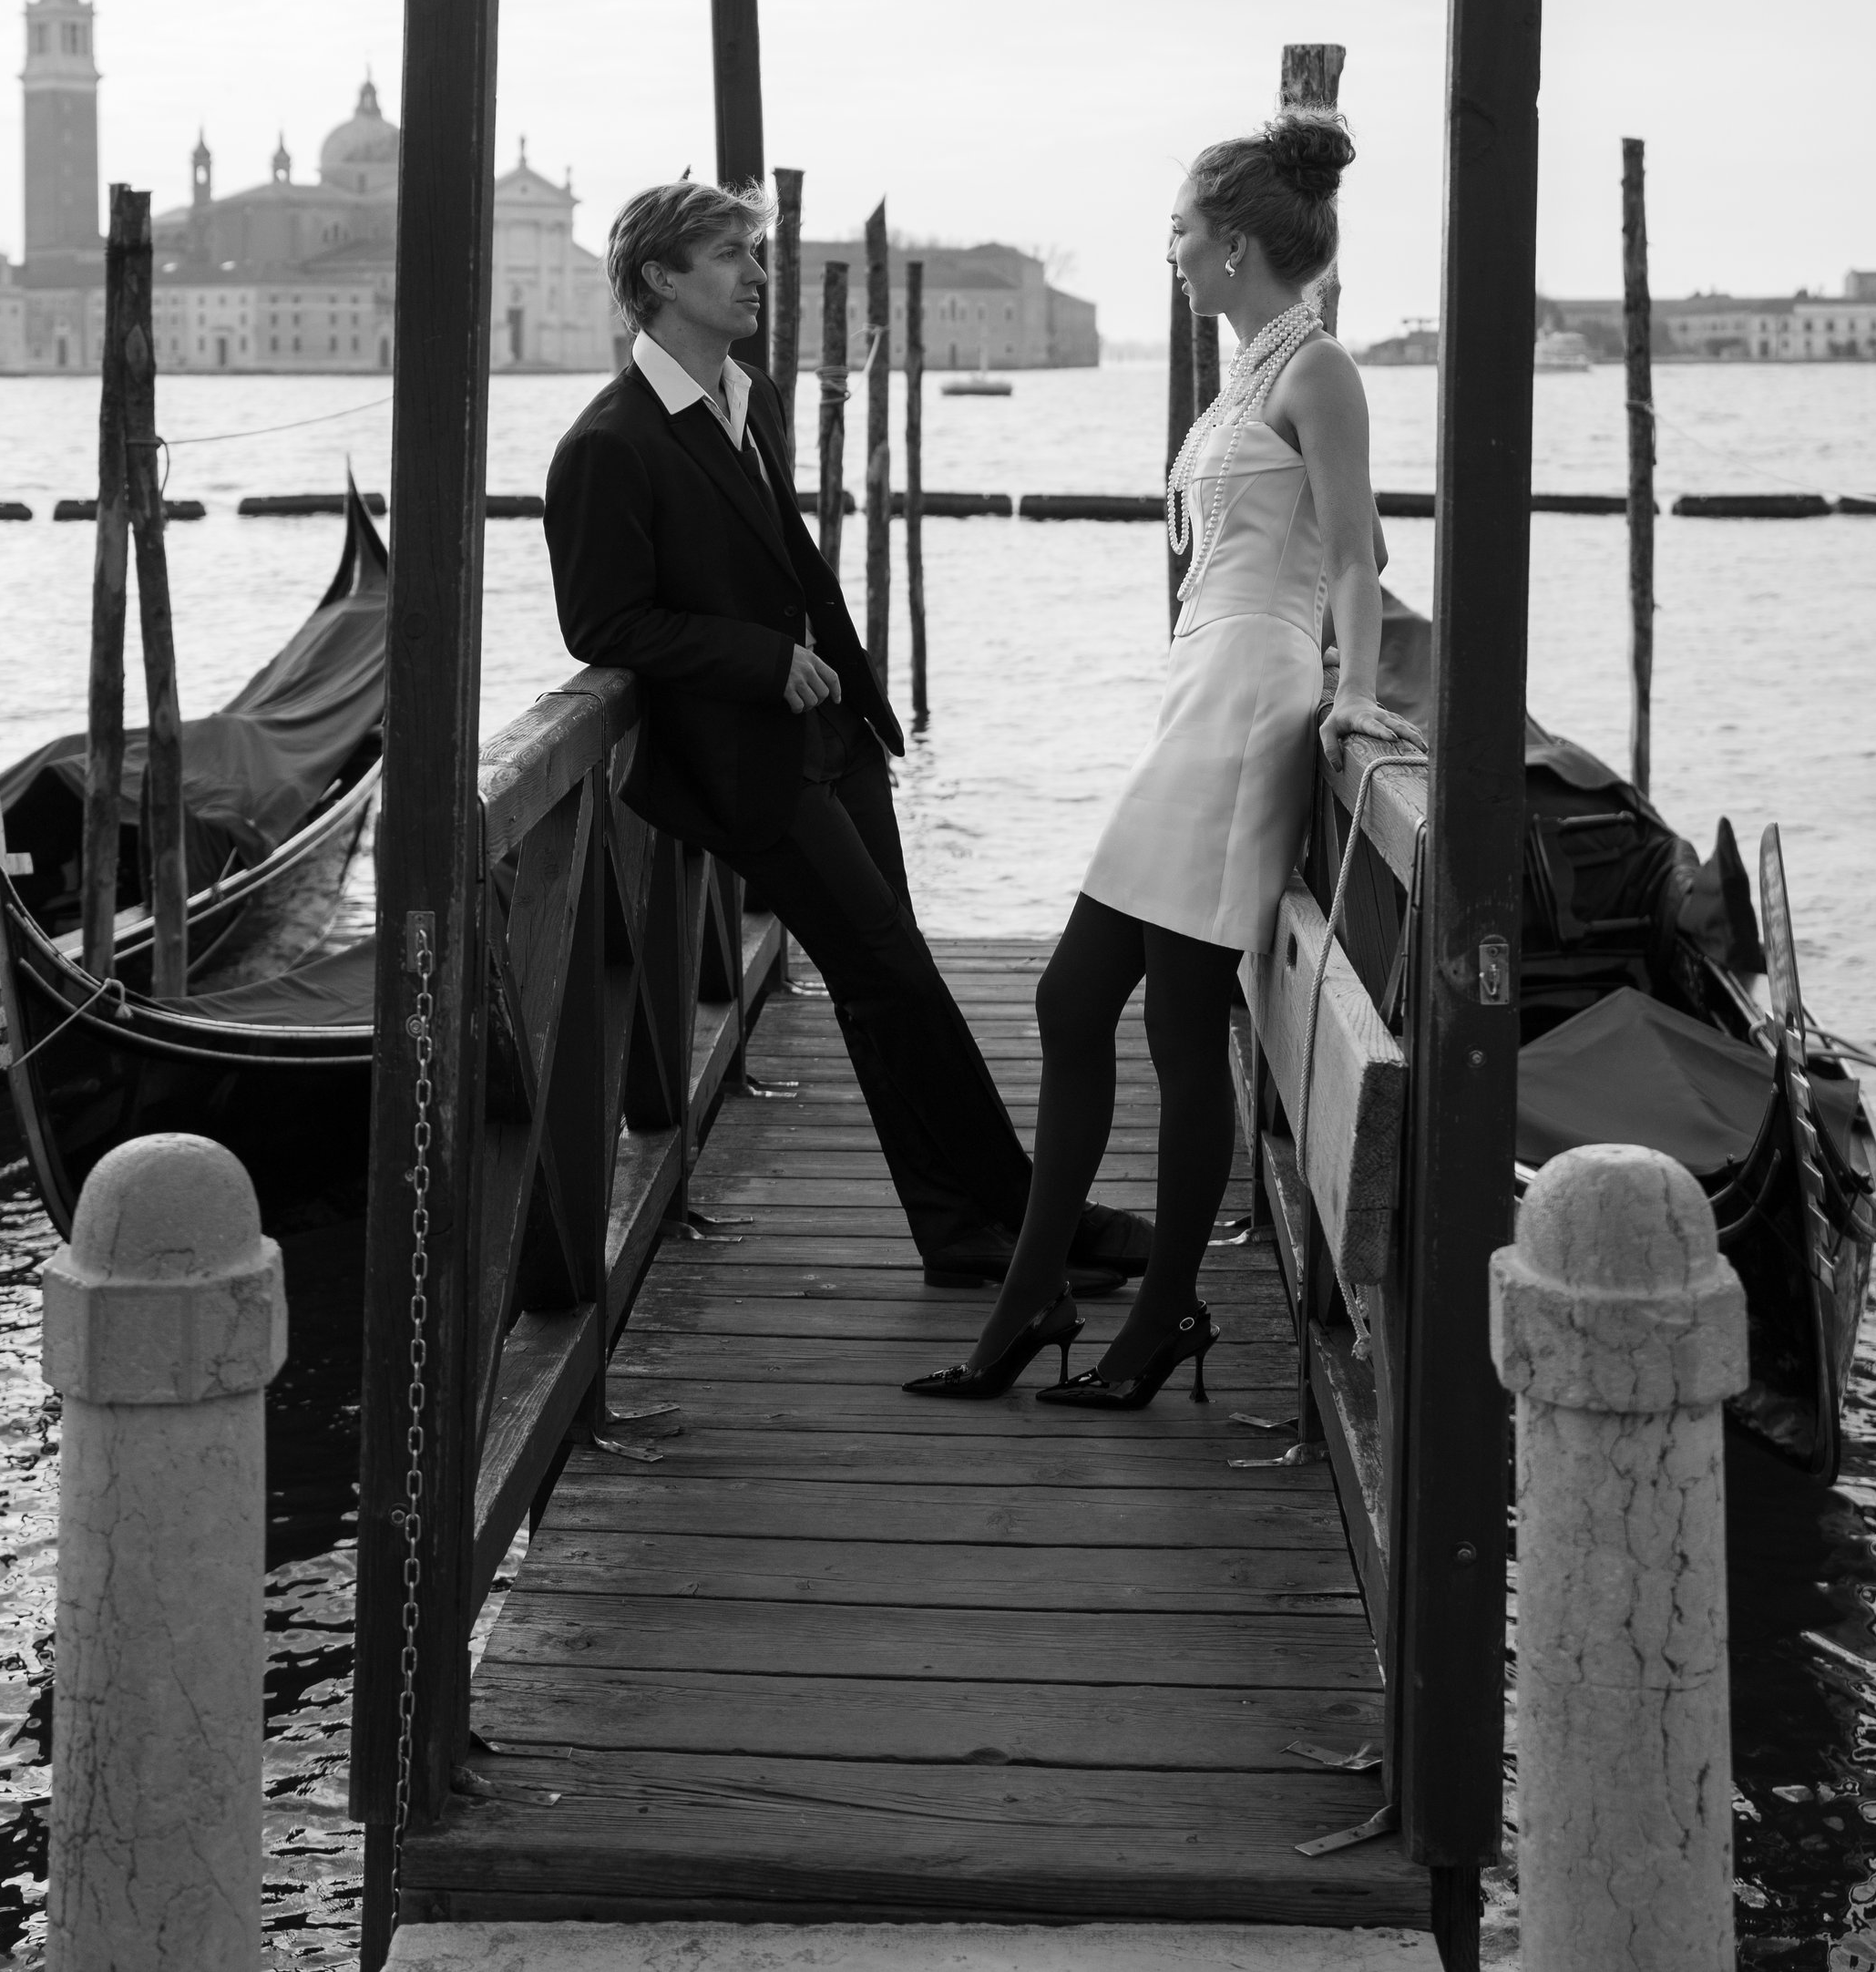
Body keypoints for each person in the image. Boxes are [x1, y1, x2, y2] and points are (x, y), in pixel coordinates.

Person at [543, 178, 1152, 1292]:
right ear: (657, 283)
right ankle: (1023, 1220)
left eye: (754, 253)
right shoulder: (606, 447)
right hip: (745, 770)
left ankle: (969, 1230)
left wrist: (843, 688)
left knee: (894, 978)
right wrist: (760, 660)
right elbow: (602, 623)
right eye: (729, 256)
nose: (756, 275)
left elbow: (786, 560)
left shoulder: (749, 398)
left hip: (834, 738)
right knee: (891, 977)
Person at [907, 108, 1389, 1406]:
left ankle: (1153, 1314)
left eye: (1181, 228)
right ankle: (1042, 1296)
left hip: (1251, 698)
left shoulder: (1318, 369)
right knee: (1080, 1003)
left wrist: (1361, 696)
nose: (1168, 249)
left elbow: (1356, 555)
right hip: (1202, 690)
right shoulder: (1249, 367)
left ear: (1232, 244)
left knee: (1172, 1020)